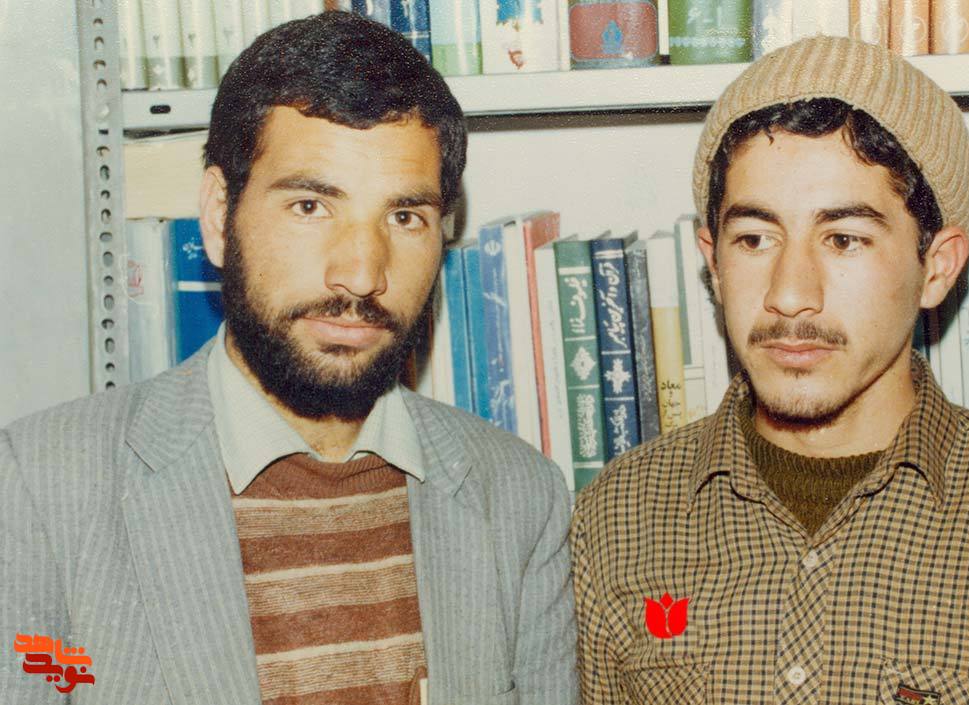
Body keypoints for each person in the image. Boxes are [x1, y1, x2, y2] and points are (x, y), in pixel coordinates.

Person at [570, 35, 969, 704]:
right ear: (713, 262)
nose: (790, 293)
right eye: (755, 238)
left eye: (844, 239)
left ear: (938, 267)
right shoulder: (618, 516)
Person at [1, 12, 576, 705]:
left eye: (404, 217)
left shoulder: (521, 498)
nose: (361, 274)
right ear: (219, 215)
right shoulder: (42, 487)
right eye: (310, 205)